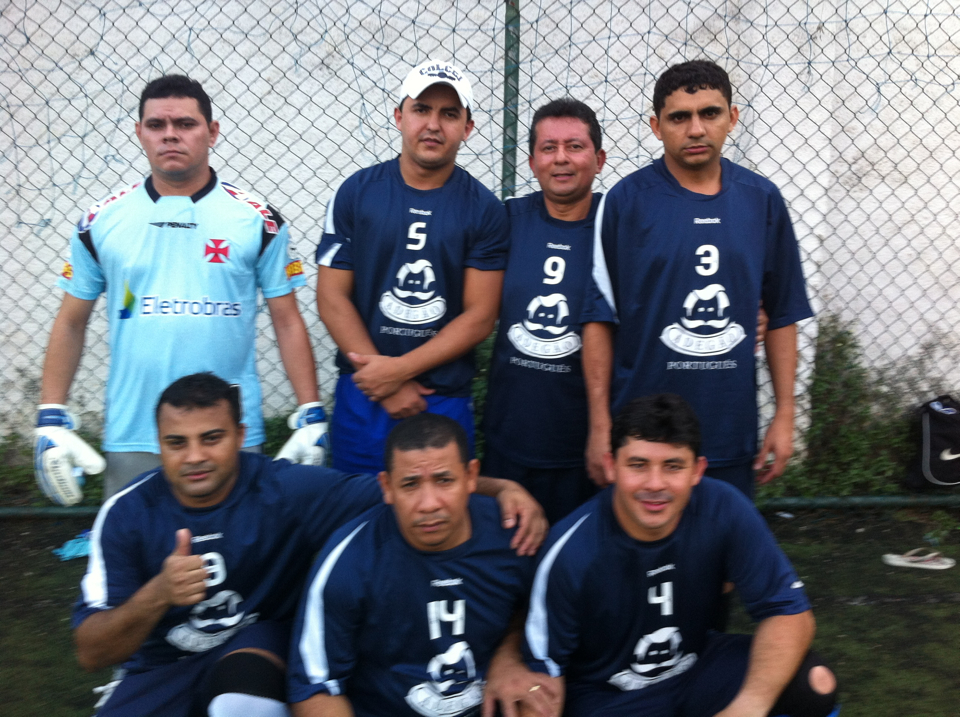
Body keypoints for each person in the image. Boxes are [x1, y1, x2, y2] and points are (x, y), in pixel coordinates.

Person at [73, 373, 546, 717]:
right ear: (158, 444)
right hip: (163, 664)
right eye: (177, 443)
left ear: (241, 436)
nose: (195, 456)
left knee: (239, 703)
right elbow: (91, 652)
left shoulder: (287, 489)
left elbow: (409, 490)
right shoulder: (127, 514)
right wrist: (158, 593)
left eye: (211, 438)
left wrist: (500, 488)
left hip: (261, 647)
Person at [36, 74, 327, 506]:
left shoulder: (259, 220)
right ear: (139, 132)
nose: (170, 135)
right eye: (157, 125)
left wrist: (310, 411)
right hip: (135, 431)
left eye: (185, 124)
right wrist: (50, 415)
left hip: (228, 433)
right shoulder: (100, 221)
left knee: (239, 546)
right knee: (137, 547)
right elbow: (70, 322)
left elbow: (287, 320)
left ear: (212, 132)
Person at [521, 393, 838, 717]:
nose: (655, 484)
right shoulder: (571, 549)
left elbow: (789, 613)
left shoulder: (724, 509)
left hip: (693, 670)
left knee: (814, 684)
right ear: (611, 466)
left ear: (697, 471)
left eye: (673, 466)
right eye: (638, 465)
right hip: (610, 697)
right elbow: (543, 675)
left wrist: (748, 706)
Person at [582, 60, 814, 498]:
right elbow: (598, 317)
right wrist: (599, 425)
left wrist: (785, 413)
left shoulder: (761, 200)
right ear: (656, 126)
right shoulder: (625, 202)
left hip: (728, 429)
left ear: (732, 117)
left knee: (721, 540)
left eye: (709, 113)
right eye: (679, 117)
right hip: (642, 436)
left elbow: (783, 312)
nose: (695, 129)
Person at [316, 59, 507, 474]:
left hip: (439, 398)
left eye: (449, 114)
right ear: (399, 116)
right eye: (421, 109)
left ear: (467, 128)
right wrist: (383, 383)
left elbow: (480, 316)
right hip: (364, 391)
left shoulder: (484, 210)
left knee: (438, 512)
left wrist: (400, 373)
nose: (433, 125)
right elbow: (331, 297)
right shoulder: (356, 192)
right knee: (356, 507)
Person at [287, 413, 538, 717]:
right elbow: (316, 688)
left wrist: (510, 653)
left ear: (471, 476)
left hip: (487, 704)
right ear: (387, 487)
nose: (428, 504)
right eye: (410, 484)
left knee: (535, 699)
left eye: (444, 480)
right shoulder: (347, 563)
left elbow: (540, 619)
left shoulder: (516, 537)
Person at [482, 98, 605, 524]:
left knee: (573, 558)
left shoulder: (621, 226)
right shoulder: (506, 220)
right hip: (508, 439)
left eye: (575, 146)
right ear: (533, 162)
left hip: (582, 446)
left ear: (599, 159)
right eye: (549, 148)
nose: (561, 158)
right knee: (509, 552)